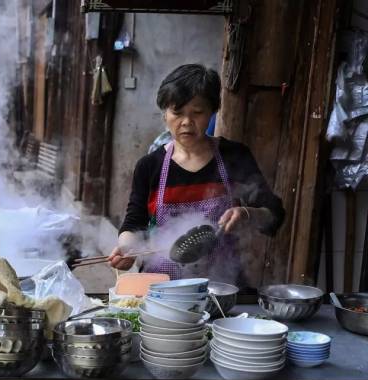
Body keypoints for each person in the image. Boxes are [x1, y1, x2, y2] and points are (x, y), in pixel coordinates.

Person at [110, 64, 285, 281]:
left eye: (197, 112)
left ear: (212, 112)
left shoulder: (234, 156)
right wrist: (128, 249)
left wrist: (248, 214)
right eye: (177, 112)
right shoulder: (149, 166)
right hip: (161, 288)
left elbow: (274, 213)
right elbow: (134, 223)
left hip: (221, 285)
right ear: (164, 114)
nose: (186, 122)